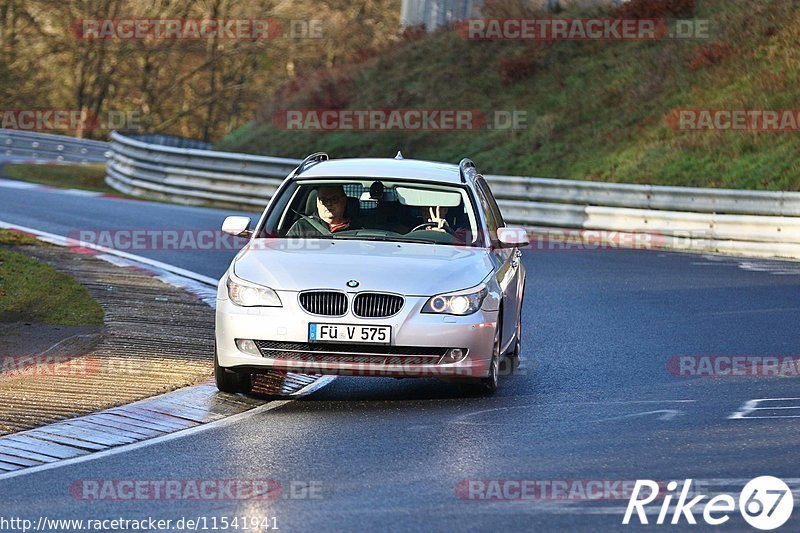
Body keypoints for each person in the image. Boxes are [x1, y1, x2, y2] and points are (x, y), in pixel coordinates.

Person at [287, 185, 359, 237]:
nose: (328, 204)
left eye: (334, 199)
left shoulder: (360, 227)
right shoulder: (301, 226)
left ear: (344, 201)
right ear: (317, 203)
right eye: (323, 200)